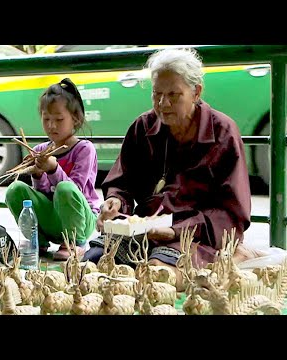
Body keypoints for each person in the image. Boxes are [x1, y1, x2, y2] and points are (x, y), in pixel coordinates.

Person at [85, 47, 262, 290]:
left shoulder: (222, 132)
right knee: (92, 264)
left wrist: (175, 230)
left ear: (196, 92)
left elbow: (231, 214)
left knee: (159, 274)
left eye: (173, 95)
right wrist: (115, 202)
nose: (162, 103)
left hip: (198, 235)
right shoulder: (143, 127)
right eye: (156, 94)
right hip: (146, 230)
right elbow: (121, 183)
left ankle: (233, 257)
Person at [5, 78, 100, 261]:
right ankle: (36, 240)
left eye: (58, 119)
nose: (51, 125)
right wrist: (38, 174)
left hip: (80, 220)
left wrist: (53, 168)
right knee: (15, 189)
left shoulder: (84, 149)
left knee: (65, 188)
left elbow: (75, 192)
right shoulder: (41, 149)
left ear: (76, 119)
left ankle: (74, 243)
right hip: (53, 219)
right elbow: (44, 193)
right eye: (46, 118)